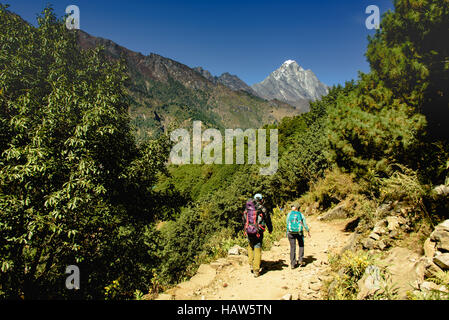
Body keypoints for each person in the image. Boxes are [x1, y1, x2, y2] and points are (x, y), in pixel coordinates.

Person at [243, 194, 273, 278]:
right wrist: (270, 229)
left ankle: (251, 264)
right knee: (257, 247)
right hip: (258, 231)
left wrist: (245, 229)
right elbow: (268, 219)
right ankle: (256, 270)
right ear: (261, 199)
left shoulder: (248, 208)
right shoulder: (262, 209)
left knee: (250, 246)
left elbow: (244, 219)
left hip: (248, 230)